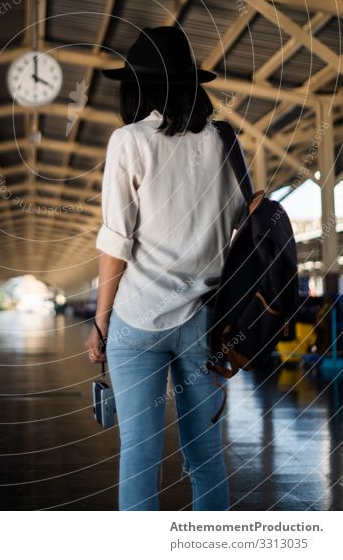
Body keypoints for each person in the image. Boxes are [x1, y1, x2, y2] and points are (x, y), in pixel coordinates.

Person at [85, 26, 245, 512]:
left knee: (139, 458)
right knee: (205, 457)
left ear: (136, 87)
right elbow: (242, 222)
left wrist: (100, 320)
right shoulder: (224, 140)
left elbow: (117, 240)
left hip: (137, 319)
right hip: (205, 320)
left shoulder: (129, 141)